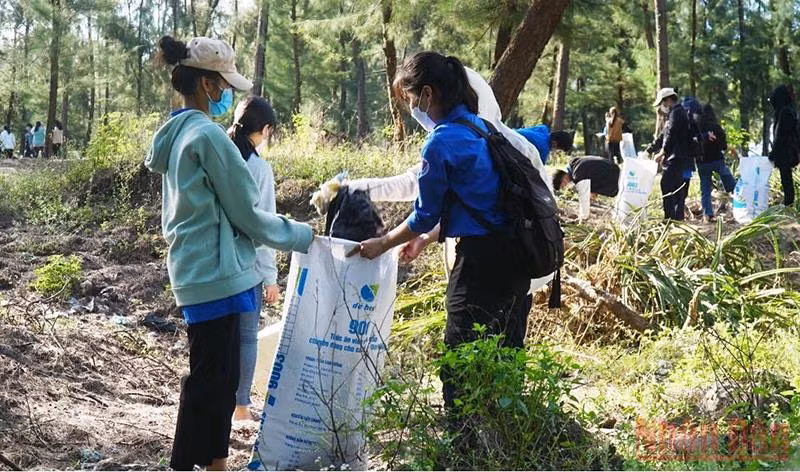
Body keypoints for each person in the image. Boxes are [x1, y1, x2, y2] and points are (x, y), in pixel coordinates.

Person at [146, 35, 313, 471]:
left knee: (218, 380)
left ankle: (217, 464)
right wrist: (304, 236)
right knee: (209, 382)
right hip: (218, 274)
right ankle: (184, 466)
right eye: (223, 85)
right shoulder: (209, 137)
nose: (227, 94)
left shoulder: (177, 131)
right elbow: (251, 217)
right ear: (206, 84)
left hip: (194, 268)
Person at [349, 52, 532, 410]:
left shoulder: (442, 141)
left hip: (481, 263)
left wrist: (383, 243)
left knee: (459, 358)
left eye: (413, 98)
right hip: (516, 259)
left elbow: (423, 214)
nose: (413, 107)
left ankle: (462, 449)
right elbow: (479, 203)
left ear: (428, 94)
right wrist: (427, 239)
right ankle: (506, 441)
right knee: (505, 352)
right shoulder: (481, 128)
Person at [226, 95, 281, 422]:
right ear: (265, 129)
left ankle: (219, 401)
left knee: (218, 337)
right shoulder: (259, 168)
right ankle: (241, 408)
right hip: (247, 268)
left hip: (214, 264)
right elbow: (265, 226)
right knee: (246, 337)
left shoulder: (219, 155)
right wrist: (271, 277)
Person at [653, 88, 691, 220]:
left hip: (676, 156)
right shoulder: (677, 113)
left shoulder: (676, 113)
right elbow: (664, 135)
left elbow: (671, 134)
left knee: (666, 184)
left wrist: (663, 152)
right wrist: (650, 150)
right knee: (676, 186)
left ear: (669, 99)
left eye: (663, 103)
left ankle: (670, 218)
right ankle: (677, 217)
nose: (663, 106)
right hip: (678, 156)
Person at [697, 104, 736, 221]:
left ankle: (707, 214)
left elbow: (694, 141)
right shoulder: (716, 127)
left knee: (705, 189)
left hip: (702, 162)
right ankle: (740, 199)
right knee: (729, 180)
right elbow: (723, 146)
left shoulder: (698, 128)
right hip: (717, 160)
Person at [768, 84, 799, 206]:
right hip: (788, 150)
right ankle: (788, 201)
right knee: (786, 177)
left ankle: (789, 202)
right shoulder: (787, 111)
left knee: (786, 178)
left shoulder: (785, 113)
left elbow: (781, 135)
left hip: (786, 151)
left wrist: (773, 153)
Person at [551, 156, 621, 198]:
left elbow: (584, 198)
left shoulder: (578, 174)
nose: (566, 185)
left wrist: (583, 217)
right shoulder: (576, 164)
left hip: (616, 180)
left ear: (563, 178)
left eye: (563, 185)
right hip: (615, 171)